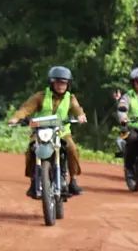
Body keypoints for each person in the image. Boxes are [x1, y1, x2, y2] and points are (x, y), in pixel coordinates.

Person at [7, 66, 88, 197]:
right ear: (51, 83)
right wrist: (16, 118)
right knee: (31, 150)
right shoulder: (40, 97)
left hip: (62, 133)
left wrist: (81, 116)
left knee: (72, 149)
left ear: (68, 84)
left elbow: (77, 108)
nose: (60, 86)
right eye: (58, 82)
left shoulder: (70, 98)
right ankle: (33, 180)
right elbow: (26, 109)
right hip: (40, 132)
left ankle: (73, 181)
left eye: (64, 83)